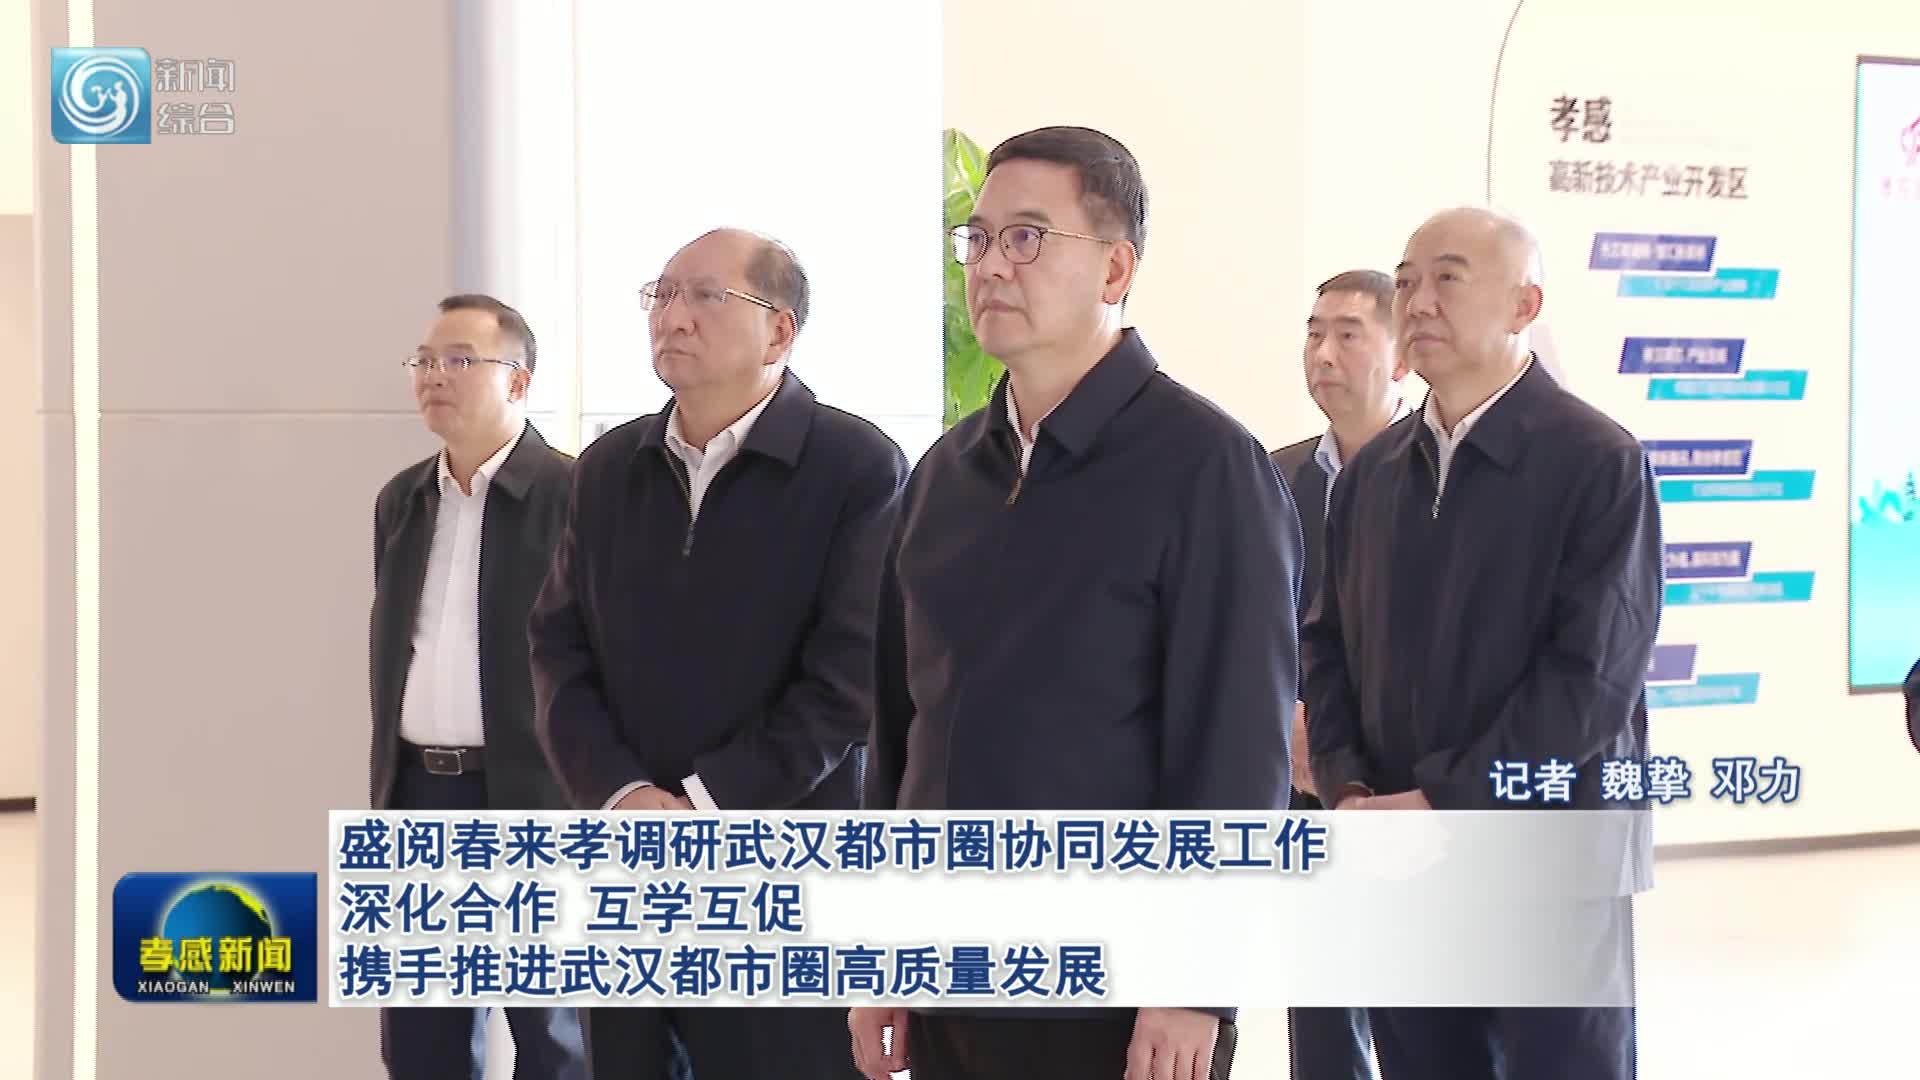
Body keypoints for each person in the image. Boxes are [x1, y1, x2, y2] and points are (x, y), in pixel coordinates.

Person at [852, 125, 1303, 1080]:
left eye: (1026, 237)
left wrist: (1193, 984)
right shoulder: (944, 474)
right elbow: (900, 732)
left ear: (1115, 267)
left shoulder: (1206, 467)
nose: (989, 266)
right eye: (977, 239)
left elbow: (1235, 749)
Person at [529, 229, 907, 1080]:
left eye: (705, 295)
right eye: (662, 294)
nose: (674, 316)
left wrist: (702, 806)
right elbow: (557, 647)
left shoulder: (857, 467)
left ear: (780, 331)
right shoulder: (607, 467)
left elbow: (849, 681)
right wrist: (623, 795)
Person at [1300, 207, 1661, 1080]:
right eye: (1407, 281)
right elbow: (1328, 646)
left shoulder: (1597, 461)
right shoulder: (1372, 475)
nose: (1419, 301)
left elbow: (1591, 681)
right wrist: (1350, 790)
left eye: (1448, 279)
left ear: (1524, 304)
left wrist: (1441, 801)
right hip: (1399, 854)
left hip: (1548, 858)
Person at [370, 294, 586, 1080]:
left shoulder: (575, 495)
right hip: (416, 793)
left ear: (519, 382)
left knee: (553, 1033)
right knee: (419, 1034)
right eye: (425, 361)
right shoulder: (402, 500)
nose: (434, 376)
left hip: (535, 795)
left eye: (460, 360)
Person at [1270, 268, 1406, 1080]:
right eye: (1314, 333)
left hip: (1404, 781)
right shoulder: (1275, 475)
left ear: (1403, 355)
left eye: (1349, 334)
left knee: (1417, 1005)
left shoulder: (1436, 476)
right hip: (1300, 779)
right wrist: (1284, 715)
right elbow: (1252, 623)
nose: (1323, 353)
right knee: (1320, 1000)